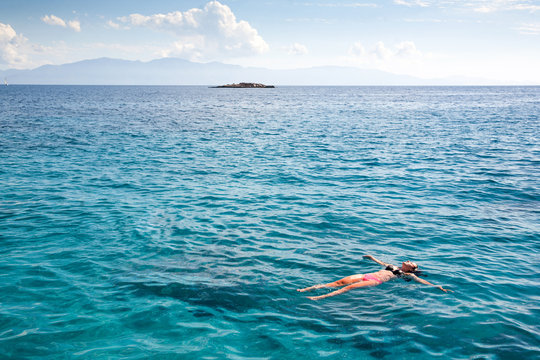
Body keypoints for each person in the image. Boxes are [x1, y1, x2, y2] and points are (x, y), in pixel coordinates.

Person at [297, 254, 452, 300]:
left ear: (412, 269)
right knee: (339, 282)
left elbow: (421, 280)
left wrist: (436, 286)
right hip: (367, 275)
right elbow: (382, 262)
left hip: (374, 281)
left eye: (411, 262)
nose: (408, 261)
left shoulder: (406, 274)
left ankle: (320, 297)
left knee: (348, 288)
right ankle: (308, 289)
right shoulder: (394, 266)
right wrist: (372, 258)